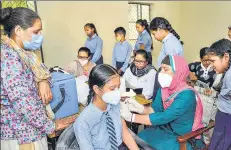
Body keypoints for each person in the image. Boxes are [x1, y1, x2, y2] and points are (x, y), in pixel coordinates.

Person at [0, 7, 70, 150]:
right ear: (18, 30)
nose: (40, 36)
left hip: (32, 129)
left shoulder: (26, 55)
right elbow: (23, 102)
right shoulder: (9, 58)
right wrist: (50, 126)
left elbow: (45, 72)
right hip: (21, 134)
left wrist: (42, 80)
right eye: (36, 32)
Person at [120, 55, 204, 150]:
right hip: (164, 129)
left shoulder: (187, 94)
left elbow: (165, 117)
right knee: (139, 138)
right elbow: (156, 110)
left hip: (181, 135)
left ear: (178, 72)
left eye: (166, 69)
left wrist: (132, 117)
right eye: (161, 69)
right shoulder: (164, 89)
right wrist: (140, 108)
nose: (161, 72)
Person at [73, 64, 139, 150]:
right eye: (112, 88)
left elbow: (125, 133)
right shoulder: (83, 122)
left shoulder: (115, 104)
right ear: (96, 89)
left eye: (118, 87)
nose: (117, 92)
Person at [150, 17, 184, 100]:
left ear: (159, 29)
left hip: (166, 76)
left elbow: (171, 67)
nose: (154, 37)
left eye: (154, 34)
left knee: (161, 102)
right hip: (164, 74)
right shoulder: (168, 41)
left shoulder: (170, 43)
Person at [188, 47, 218, 144]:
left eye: (209, 60)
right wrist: (191, 76)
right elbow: (184, 67)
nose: (207, 62)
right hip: (198, 95)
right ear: (200, 59)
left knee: (207, 118)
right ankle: (197, 136)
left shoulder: (214, 68)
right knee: (197, 115)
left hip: (210, 97)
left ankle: (206, 138)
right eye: (205, 60)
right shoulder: (196, 66)